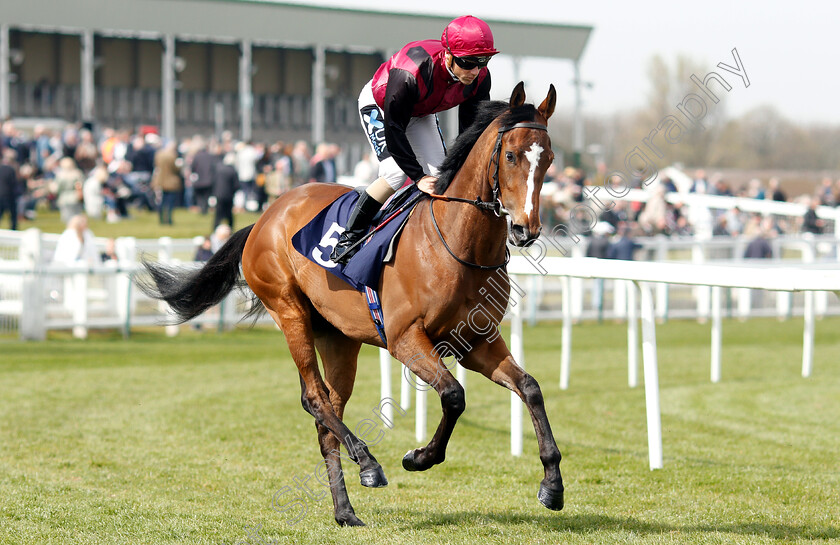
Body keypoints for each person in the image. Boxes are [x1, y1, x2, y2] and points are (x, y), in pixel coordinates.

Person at [330, 15, 499, 263]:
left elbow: (470, 130)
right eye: (468, 62)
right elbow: (395, 129)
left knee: (443, 178)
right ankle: (349, 237)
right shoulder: (410, 73)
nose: (475, 70)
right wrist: (418, 177)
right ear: (449, 55)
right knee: (394, 174)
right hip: (383, 107)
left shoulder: (480, 77)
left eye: (483, 62)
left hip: (420, 112)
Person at [151, 141, 183, 225]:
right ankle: (168, 219)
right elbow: (176, 169)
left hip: (160, 180)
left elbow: (155, 165)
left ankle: (161, 218)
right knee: (170, 202)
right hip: (171, 181)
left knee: (161, 201)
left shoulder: (158, 155)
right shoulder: (173, 156)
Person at [0, 150, 21, 230]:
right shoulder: (11, 170)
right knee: (13, 214)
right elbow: (14, 184)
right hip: (8, 195)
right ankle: (13, 229)